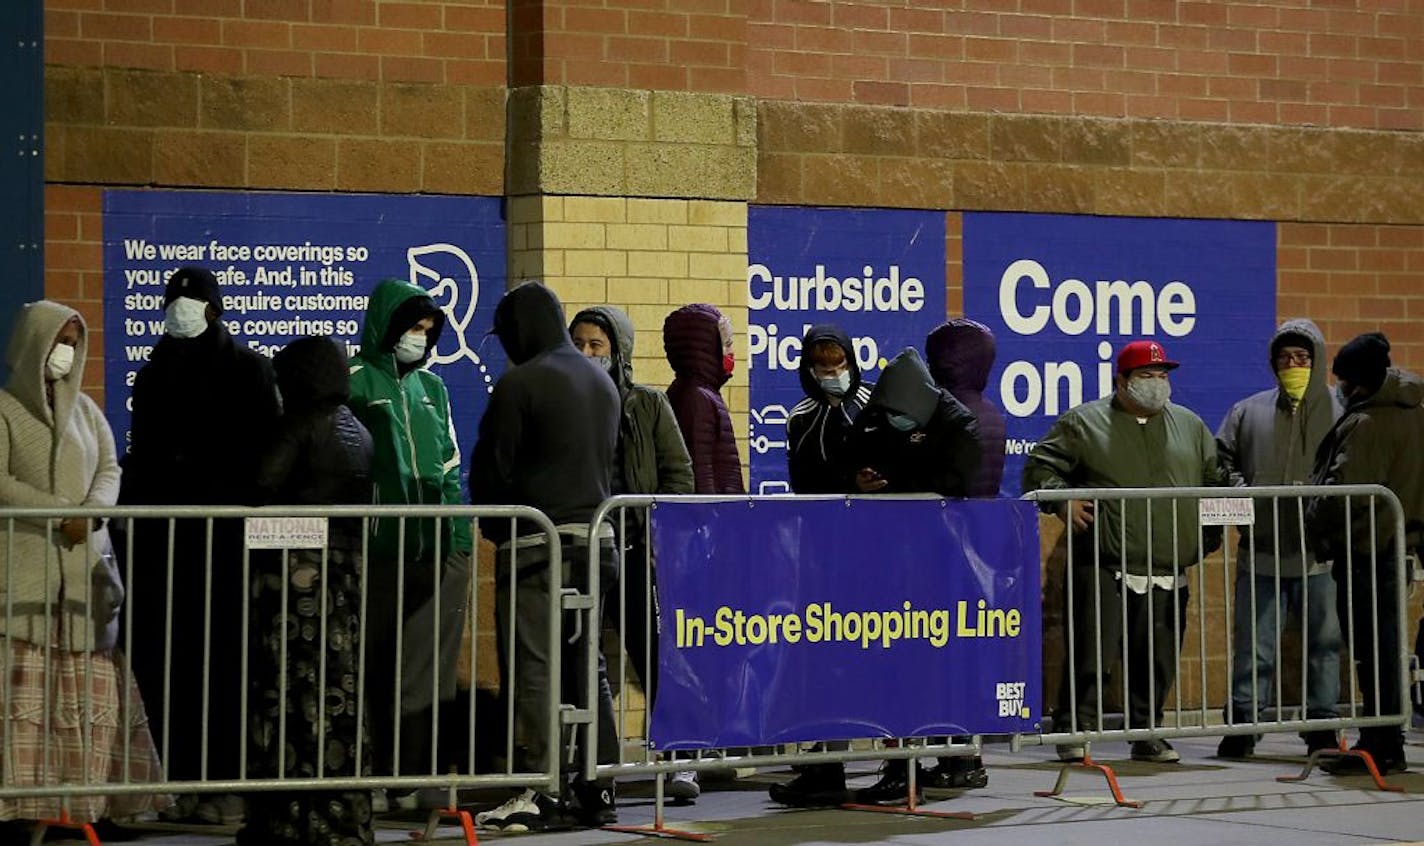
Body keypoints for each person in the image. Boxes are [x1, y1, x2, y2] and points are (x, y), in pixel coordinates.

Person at [771, 347, 982, 808]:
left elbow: (959, 484)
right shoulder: (868, 416)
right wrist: (857, 479)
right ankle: (868, 767)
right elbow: (843, 464)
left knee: (916, 671)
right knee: (861, 667)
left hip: (930, 567)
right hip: (872, 564)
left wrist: (898, 488)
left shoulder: (956, 423)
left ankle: (924, 764)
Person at [0, 301, 167, 841]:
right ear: (34, 346)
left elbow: (110, 467)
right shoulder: (3, 410)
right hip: (26, 579)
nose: (65, 352)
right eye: (58, 340)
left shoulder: (88, 412)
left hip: (84, 580)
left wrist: (91, 512)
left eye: (75, 339)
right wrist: (56, 512)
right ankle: (23, 805)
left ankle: (82, 800)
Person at [121, 266, 280, 824]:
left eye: (191, 298)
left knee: (227, 663)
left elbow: (263, 459)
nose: (180, 307)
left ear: (213, 307)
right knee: (169, 663)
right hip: (164, 546)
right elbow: (142, 458)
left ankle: (225, 780)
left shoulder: (249, 371)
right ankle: (175, 779)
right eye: (173, 298)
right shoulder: (154, 374)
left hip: (226, 546)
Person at [1023, 339, 1226, 765]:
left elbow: (1215, 481)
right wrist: (1064, 499)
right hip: (1104, 560)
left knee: (1158, 656)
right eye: (1146, 376)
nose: (1157, 383)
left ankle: (1147, 730)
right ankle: (1075, 728)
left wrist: (1206, 536)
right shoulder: (1085, 423)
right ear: (1122, 381)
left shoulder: (1190, 425)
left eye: (1162, 375)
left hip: (1168, 563)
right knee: (1092, 652)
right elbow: (1039, 467)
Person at [472, 282, 622, 832]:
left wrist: (494, 524)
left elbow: (495, 468)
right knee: (590, 665)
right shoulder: (599, 379)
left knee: (534, 667)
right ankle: (597, 783)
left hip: (539, 545)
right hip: (596, 542)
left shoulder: (521, 382)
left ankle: (540, 787)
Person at [240, 336, 375, 846]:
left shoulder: (298, 423)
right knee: (337, 697)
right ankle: (340, 814)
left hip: (293, 582)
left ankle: (290, 818)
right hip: (342, 578)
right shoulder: (357, 428)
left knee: (289, 697)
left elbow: (262, 481)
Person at [347, 279, 472, 807]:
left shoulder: (433, 389)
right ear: (386, 326)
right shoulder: (352, 381)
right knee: (371, 666)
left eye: (427, 330)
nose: (419, 338)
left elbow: (449, 468)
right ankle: (370, 772)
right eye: (412, 328)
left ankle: (413, 776)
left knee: (426, 670)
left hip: (434, 552)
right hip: (374, 553)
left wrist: (459, 540)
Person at [569, 306, 697, 800]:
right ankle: (592, 764)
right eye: (577, 343)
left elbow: (678, 475)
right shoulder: (568, 402)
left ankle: (681, 757)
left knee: (655, 655)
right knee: (583, 659)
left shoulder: (647, 404)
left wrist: (659, 534)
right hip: (584, 550)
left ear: (617, 351)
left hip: (637, 548)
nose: (585, 354)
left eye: (596, 346)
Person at [1215, 320, 1342, 759]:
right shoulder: (1248, 411)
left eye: (1303, 358)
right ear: (1274, 364)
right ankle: (1243, 723)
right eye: (1285, 358)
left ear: (1317, 361)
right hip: (1262, 552)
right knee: (1254, 645)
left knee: (1325, 645)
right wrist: (1239, 493)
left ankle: (1323, 725)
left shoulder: (1340, 411)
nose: (1294, 365)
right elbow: (1221, 461)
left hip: (1321, 557)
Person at [1307, 332, 1424, 775]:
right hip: (1397, 547)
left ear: (1357, 382)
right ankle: (1384, 738)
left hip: (1367, 549)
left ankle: (1381, 743)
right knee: (1386, 649)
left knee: (1372, 651)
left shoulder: (1367, 424)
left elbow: (1342, 493)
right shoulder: (1413, 411)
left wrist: (1312, 518)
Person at [925, 317, 1007, 789]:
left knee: (944, 661)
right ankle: (965, 755)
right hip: (977, 553)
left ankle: (957, 760)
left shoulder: (946, 413)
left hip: (943, 555)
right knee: (966, 657)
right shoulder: (990, 412)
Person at [663, 304, 744, 495]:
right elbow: (700, 470)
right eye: (726, 344)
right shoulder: (697, 398)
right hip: (713, 518)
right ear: (708, 348)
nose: (730, 351)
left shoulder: (697, 392)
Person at [786, 325, 873, 494]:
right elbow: (802, 482)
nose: (838, 375)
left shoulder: (876, 401)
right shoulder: (801, 418)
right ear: (812, 373)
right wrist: (851, 484)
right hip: (825, 514)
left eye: (842, 367)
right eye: (828, 372)